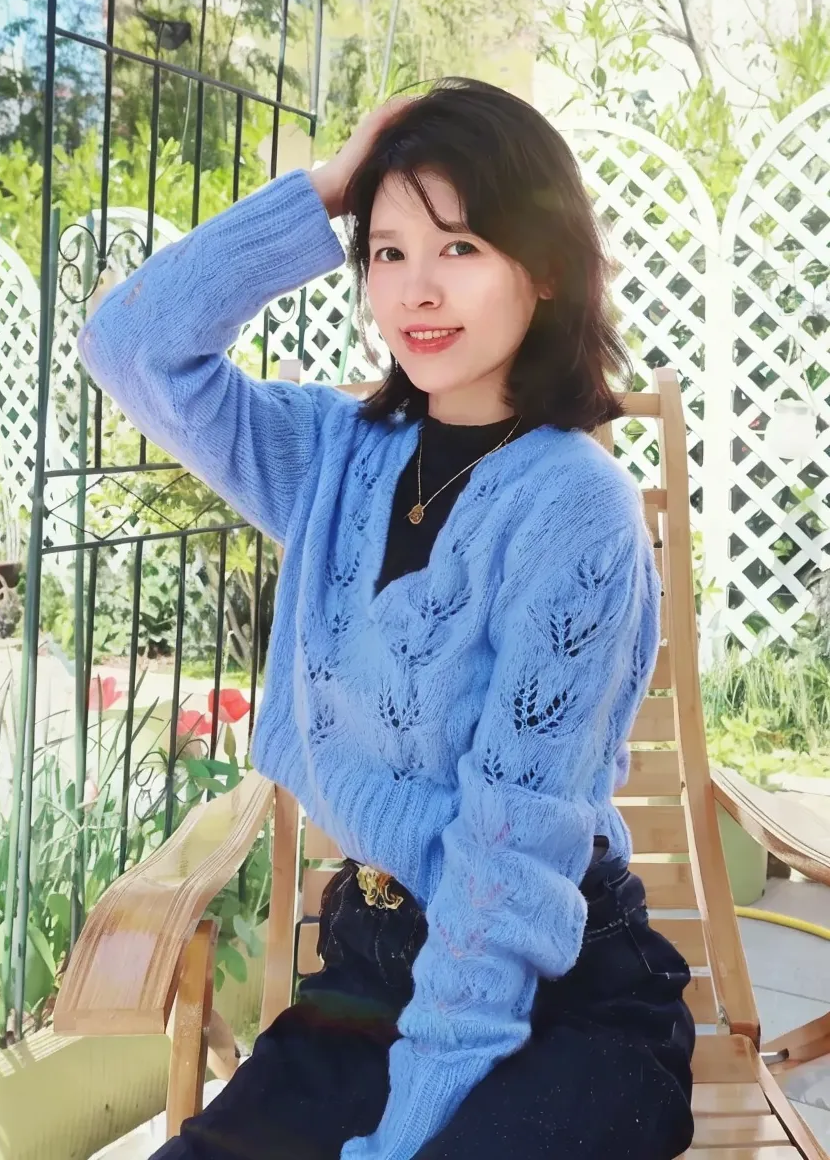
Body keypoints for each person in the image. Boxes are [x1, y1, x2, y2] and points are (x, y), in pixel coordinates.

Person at [78, 77, 695, 1160]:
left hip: (561, 995)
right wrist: (323, 190)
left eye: (460, 246)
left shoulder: (575, 510)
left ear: (544, 267)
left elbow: (504, 874)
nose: (417, 288)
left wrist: (401, 1137)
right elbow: (131, 348)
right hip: (368, 971)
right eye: (387, 250)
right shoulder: (330, 454)